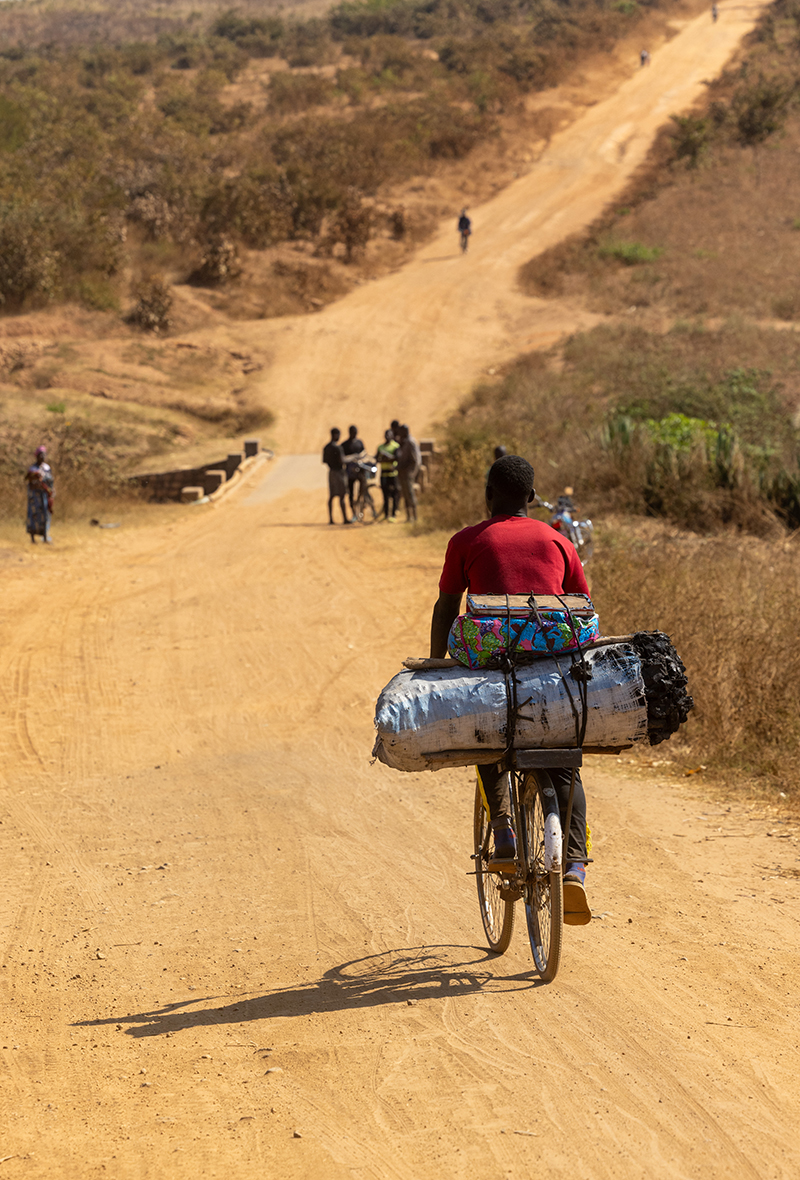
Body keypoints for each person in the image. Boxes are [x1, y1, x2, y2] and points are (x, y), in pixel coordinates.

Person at [429, 454, 592, 924]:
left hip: (496, 671)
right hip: (553, 675)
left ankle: (503, 831)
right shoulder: (559, 541)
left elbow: (446, 607)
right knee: (566, 769)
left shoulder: (466, 541)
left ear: (487, 494)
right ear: (532, 499)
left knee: (487, 732)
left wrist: (439, 663)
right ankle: (575, 869)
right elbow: (582, 608)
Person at [25, 445, 54, 544]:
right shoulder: (33, 468)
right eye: (40, 455)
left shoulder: (47, 468)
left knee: (45, 516)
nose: (42, 457)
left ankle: (45, 537)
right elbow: (29, 482)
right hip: (35, 497)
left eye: (44, 455)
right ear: (36, 456)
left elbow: (50, 481)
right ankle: (32, 539)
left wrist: (51, 490)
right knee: (34, 515)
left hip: (44, 495)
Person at [322, 428, 350, 524]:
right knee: (342, 496)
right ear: (335, 435)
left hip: (331, 472)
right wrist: (352, 458)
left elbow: (325, 461)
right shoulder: (338, 448)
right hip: (339, 472)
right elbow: (342, 460)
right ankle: (345, 518)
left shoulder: (326, 447)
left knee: (331, 496)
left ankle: (331, 519)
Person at [396, 424, 421, 523]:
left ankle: (414, 516)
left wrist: (409, 471)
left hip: (408, 473)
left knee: (410, 494)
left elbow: (414, 460)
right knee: (405, 495)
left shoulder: (410, 442)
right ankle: (408, 517)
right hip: (402, 472)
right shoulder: (404, 442)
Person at [376, 428, 400, 521]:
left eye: (389, 435)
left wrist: (386, 457)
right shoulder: (380, 447)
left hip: (393, 474)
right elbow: (377, 459)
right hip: (384, 474)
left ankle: (393, 514)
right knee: (385, 495)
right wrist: (385, 458)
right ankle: (386, 515)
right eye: (386, 435)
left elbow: (397, 458)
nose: (387, 437)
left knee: (394, 495)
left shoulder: (395, 446)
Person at [341, 424, 365, 516]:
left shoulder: (359, 443)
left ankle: (361, 505)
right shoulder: (345, 445)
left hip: (360, 471)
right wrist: (353, 457)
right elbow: (342, 458)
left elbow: (364, 453)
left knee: (363, 488)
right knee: (350, 493)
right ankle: (353, 512)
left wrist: (361, 457)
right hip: (350, 473)